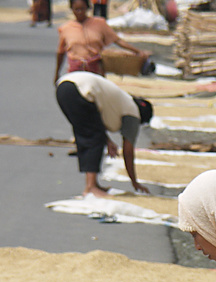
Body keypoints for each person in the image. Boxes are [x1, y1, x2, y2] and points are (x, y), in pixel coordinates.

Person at [55, 70, 152, 198]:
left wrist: (108, 141)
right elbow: (128, 151)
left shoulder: (123, 101)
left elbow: (95, 121)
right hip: (79, 90)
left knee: (88, 133)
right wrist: (134, 182)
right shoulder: (133, 113)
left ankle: (93, 183)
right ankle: (90, 187)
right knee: (92, 138)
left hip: (63, 87)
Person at [54, 0, 153, 83]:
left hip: (95, 69)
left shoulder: (99, 24)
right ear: (71, 9)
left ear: (88, 8)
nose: (79, 12)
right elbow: (61, 52)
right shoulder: (65, 28)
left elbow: (117, 40)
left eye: (82, 9)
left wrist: (138, 51)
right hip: (75, 71)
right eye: (76, 9)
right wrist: (57, 73)